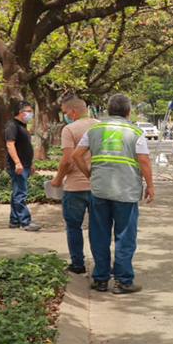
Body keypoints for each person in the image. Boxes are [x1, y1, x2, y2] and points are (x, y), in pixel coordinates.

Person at [74, 94, 154, 294]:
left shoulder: (94, 129)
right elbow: (143, 161)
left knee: (99, 234)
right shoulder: (135, 131)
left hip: (99, 191)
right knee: (125, 236)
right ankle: (123, 281)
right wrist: (150, 186)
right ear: (128, 112)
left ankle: (100, 279)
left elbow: (76, 155)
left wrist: (90, 175)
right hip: (126, 192)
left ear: (108, 110)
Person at [50, 95, 98, 274]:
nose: (65, 116)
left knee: (73, 227)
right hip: (97, 187)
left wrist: (57, 179)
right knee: (98, 228)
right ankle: (101, 265)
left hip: (75, 188)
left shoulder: (70, 129)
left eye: (65, 112)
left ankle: (78, 265)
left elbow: (67, 161)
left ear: (74, 111)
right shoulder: (100, 127)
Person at [3, 100, 41, 231]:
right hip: (17, 166)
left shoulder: (22, 126)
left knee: (17, 193)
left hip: (24, 165)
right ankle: (25, 222)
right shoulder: (12, 126)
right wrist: (17, 163)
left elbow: (25, 147)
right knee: (21, 194)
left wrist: (30, 164)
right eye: (29, 111)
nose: (30, 114)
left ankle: (14, 220)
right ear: (21, 112)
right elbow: (10, 144)